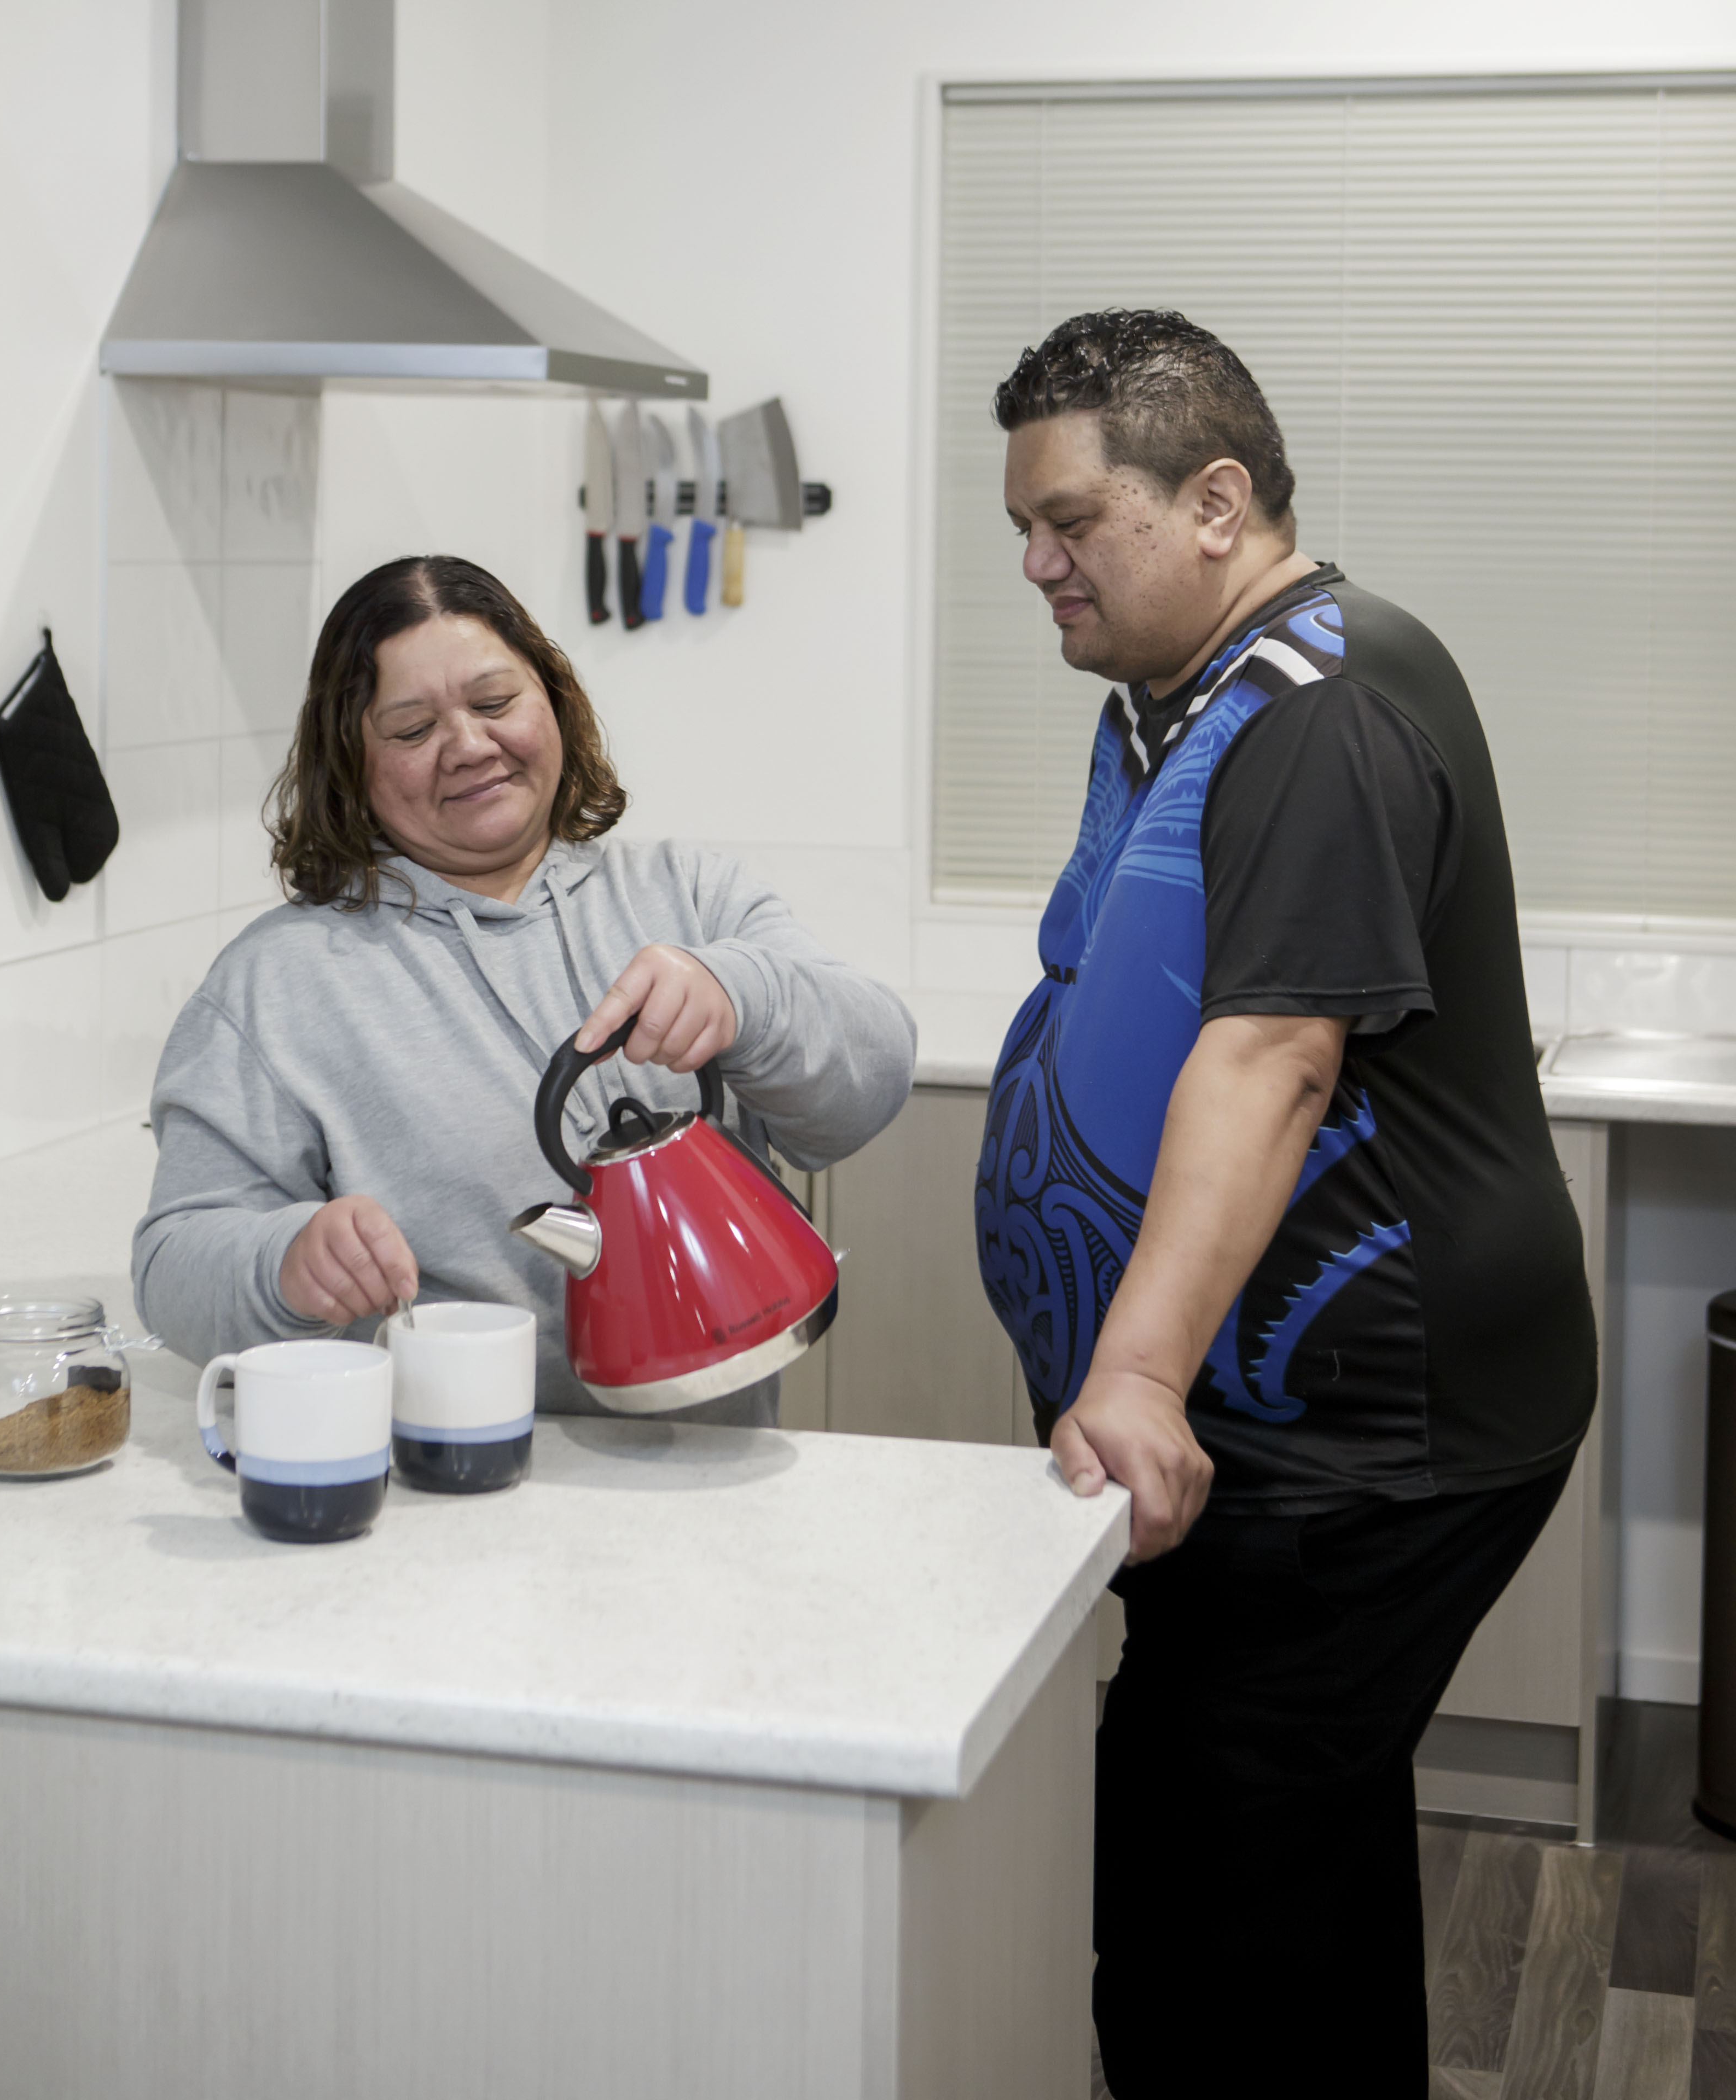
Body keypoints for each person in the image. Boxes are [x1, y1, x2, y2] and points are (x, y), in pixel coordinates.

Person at [974, 312, 1595, 2100]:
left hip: (1369, 1437)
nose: (1037, 563)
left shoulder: (1322, 708)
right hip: (1303, 1428)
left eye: (1070, 522)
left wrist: (1135, 1371)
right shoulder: (1193, 691)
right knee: (1284, 1857)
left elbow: (1272, 1061)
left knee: (1217, 1900)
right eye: (1023, 526)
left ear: (1216, 502)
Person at [134, 554, 915, 1413]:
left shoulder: (687, 897)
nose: (469, 747)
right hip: (441, 1473)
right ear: (351, 763)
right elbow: (172, 1264)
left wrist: (743, 998)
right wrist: (283, 1264)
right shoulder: (276, 983)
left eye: (496, 703)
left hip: (715, 1470)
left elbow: (875, 1080)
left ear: (554, 700)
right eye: (411, 730)